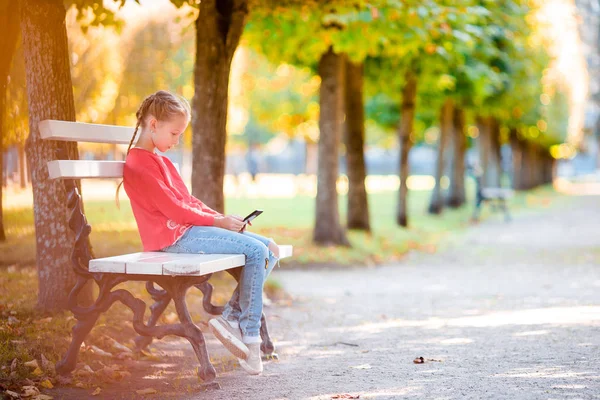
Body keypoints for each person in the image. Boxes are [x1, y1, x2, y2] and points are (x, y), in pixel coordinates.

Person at [118, 90, 280, 375]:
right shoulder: (139, 165)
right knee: (256, 251)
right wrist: (217, 223)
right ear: (153, 124)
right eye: (174, 133)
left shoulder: (162, 161)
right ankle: (250, 339)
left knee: (271, 249)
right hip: (172, 239)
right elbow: (175, 211)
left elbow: (189, 202)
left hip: (188, 231)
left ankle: (230, 318)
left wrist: (223, 218)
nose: (176, 140)